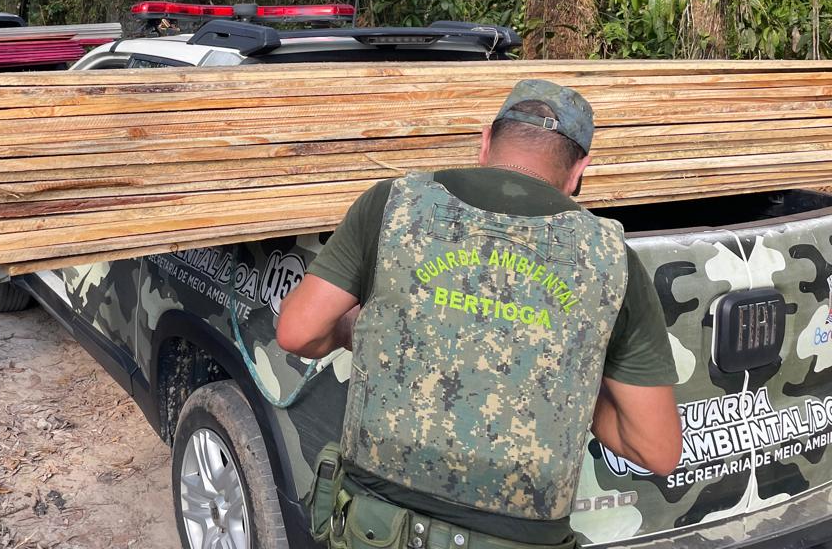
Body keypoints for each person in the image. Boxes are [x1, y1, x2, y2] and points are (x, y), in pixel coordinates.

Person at [277, 79, 682, 549]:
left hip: (377, 528)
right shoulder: (613, 259)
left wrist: (363, 330)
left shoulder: (393, 204)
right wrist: (557, 378)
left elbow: (297, 331)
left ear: (485, 142)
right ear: (579, 171)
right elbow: (657, 448)